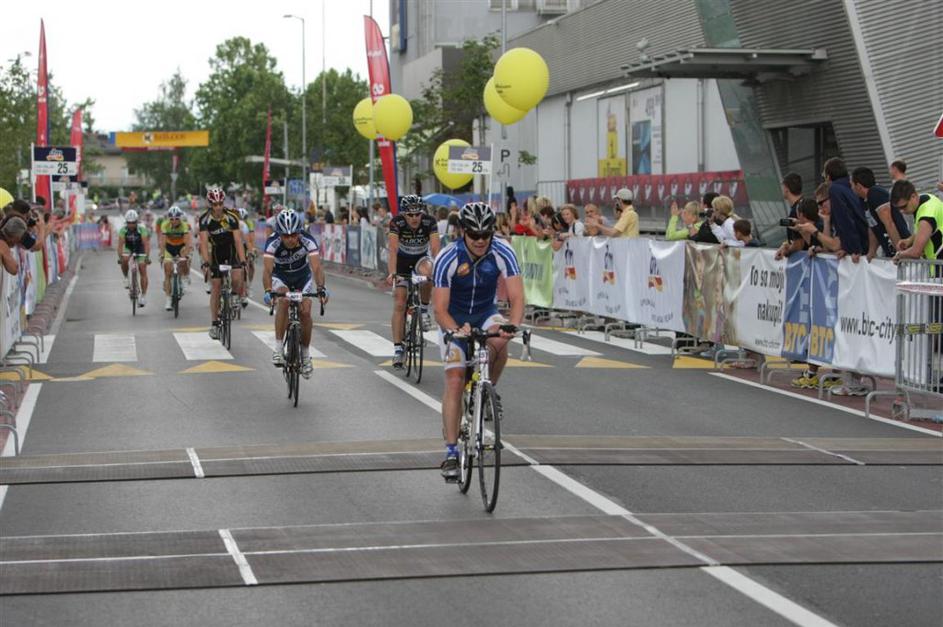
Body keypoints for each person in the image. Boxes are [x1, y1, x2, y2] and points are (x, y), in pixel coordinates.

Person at [432, 202, 524, 481]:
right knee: (455, 380)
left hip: (485, 312)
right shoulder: (448, 257)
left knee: (500, 339)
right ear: (463, 232)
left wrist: (512, 325)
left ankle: (487, 390)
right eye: (475, 235)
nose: (481, 240)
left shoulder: (503, 250)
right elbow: (439, 309)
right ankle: (451, 452)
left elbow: (517, 297)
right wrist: (454, 329)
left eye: (486, 234)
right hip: (453, 317)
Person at [262, 209, 328, 378]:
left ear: (300, 232)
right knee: (284, 300)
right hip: (280, 276)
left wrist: (321, 288)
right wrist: (268, 291)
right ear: (280, 234)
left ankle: (305, 356)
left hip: (302, 276)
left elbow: (316, 267)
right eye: (286, 236)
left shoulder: (308, 240)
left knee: (305, 311)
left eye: (294, 235)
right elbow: (267, 270)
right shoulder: (272, 242)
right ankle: (278, 349)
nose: (290, 239)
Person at [387, 194, 441, 367]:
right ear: (404, 214)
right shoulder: (397, 223)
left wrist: (439, 268)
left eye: (418, 214)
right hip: (402, 262)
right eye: (410, 215)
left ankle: (423, 310)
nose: (414, 218)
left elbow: (435, 248)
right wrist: (392, 273)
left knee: (429, 273)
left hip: (420, 259)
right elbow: (393, 249)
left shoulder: (429, 222)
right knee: (399, 303)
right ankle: (398, 349)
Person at [199, 187, 246, 339]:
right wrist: (206, 262)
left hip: (231, 250)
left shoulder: (232, 217)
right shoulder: (205, 219)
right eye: (215, 204)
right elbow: (204, 243)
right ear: (210, 204)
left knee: (237, 277)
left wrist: (243, 260)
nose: (218, 207)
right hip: (216, 253)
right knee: (216, 287)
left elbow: (238, 240)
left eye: (220, 204)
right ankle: (214, 324)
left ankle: (234, 295)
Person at [850, 166, 910, 259]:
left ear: (858, 186)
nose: (851, 188)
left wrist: (900, 253)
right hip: (890, 250)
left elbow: (889, 223)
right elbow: (872, 226)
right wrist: (871, 252)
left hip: (901, 247)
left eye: (852, 185)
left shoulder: (876, 193)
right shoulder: (864, 200)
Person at [823, 157, 869, 257]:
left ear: (828, 177)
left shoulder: (835, 189)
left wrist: (851, 249)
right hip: (869, 238)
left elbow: (844, 220)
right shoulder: (852, 184)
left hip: (858, 248)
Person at [892, 179, 943, 263]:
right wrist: (910, 240)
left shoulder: (926, 215)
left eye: (904, 206)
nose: (901, 211)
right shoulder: (925, 198)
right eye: (898, 208)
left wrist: (899, 255)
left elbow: (916, 252)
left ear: (913, 196)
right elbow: (925, 230)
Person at [159, 206, 193, 310]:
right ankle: (168, 299)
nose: (174, 221)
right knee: (167, 272)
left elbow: (187, 242)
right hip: (169, 248)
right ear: (169, 218)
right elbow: (162, 242)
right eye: (172, 219)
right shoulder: (165, 225)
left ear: (180, 218)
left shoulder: (184, 225)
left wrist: (186, 255)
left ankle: (184, 277)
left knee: (184, 260)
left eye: (177, 218)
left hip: (181, 247)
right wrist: (162, 254)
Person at [117, 210, 151, 306]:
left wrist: (147, 257)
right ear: (126, 222)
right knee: (124, 259)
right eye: (129, 222)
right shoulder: (123, 230)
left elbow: (146, 245)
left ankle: (143, 296)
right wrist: (120, 257)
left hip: (140, 248)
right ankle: (126, 277)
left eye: (133, 222)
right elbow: (120, 246)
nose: (131, 225)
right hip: (129, 247)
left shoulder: (142, 229)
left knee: (142, 267)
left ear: (137, 222)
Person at [237, 207, 257, 303]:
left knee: (249, 266)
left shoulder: (248, 224)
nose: (242, 220)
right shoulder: (231, 222)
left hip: (244, 245)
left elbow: (251, 239)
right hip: (234, 245)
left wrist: (252, 250)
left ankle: (248, 286)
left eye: (243, 218)